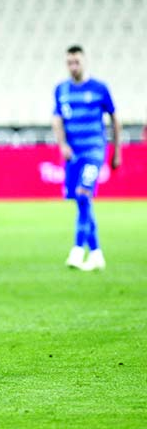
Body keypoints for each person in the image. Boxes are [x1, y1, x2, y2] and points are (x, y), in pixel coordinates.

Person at [52, 45, 122, 271]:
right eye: (69, 63)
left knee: (83, 193)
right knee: (82, 200)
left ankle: (77, 249)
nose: (73, 67)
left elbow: (115, 118)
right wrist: (62, 144)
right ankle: (97, 253)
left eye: (76, 62)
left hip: (94, 151)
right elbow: (57, 118)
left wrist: (116, 151)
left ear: (84, 62)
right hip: (74, 154)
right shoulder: (61, 90)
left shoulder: (100, 88)